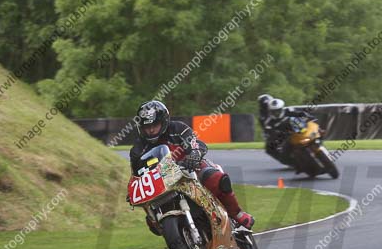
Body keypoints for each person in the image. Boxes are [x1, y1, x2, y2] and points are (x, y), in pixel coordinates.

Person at [129, 100, 254, 232]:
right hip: (162, 182)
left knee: (216, 178)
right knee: (151, 221)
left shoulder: (177, 129)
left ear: (164, 121)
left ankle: (237, 214)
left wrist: (194, 154)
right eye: (146, 127)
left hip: (189, 168)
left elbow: (196, 143)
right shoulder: (137, 149)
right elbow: (136, 172)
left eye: (155, 125)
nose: (151, 130)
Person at [257, 94, 314, 164]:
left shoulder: (284, 109)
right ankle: (288, 160)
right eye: (264, 104)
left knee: (309, 125)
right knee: (270, 148)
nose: (266, 105)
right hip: (280, 133)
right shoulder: (263, 117)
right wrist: (272, 135)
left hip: (295, 127)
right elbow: (267, 129)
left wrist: (308, 117)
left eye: (267, 103)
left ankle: (315, 136)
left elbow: (299, 113)